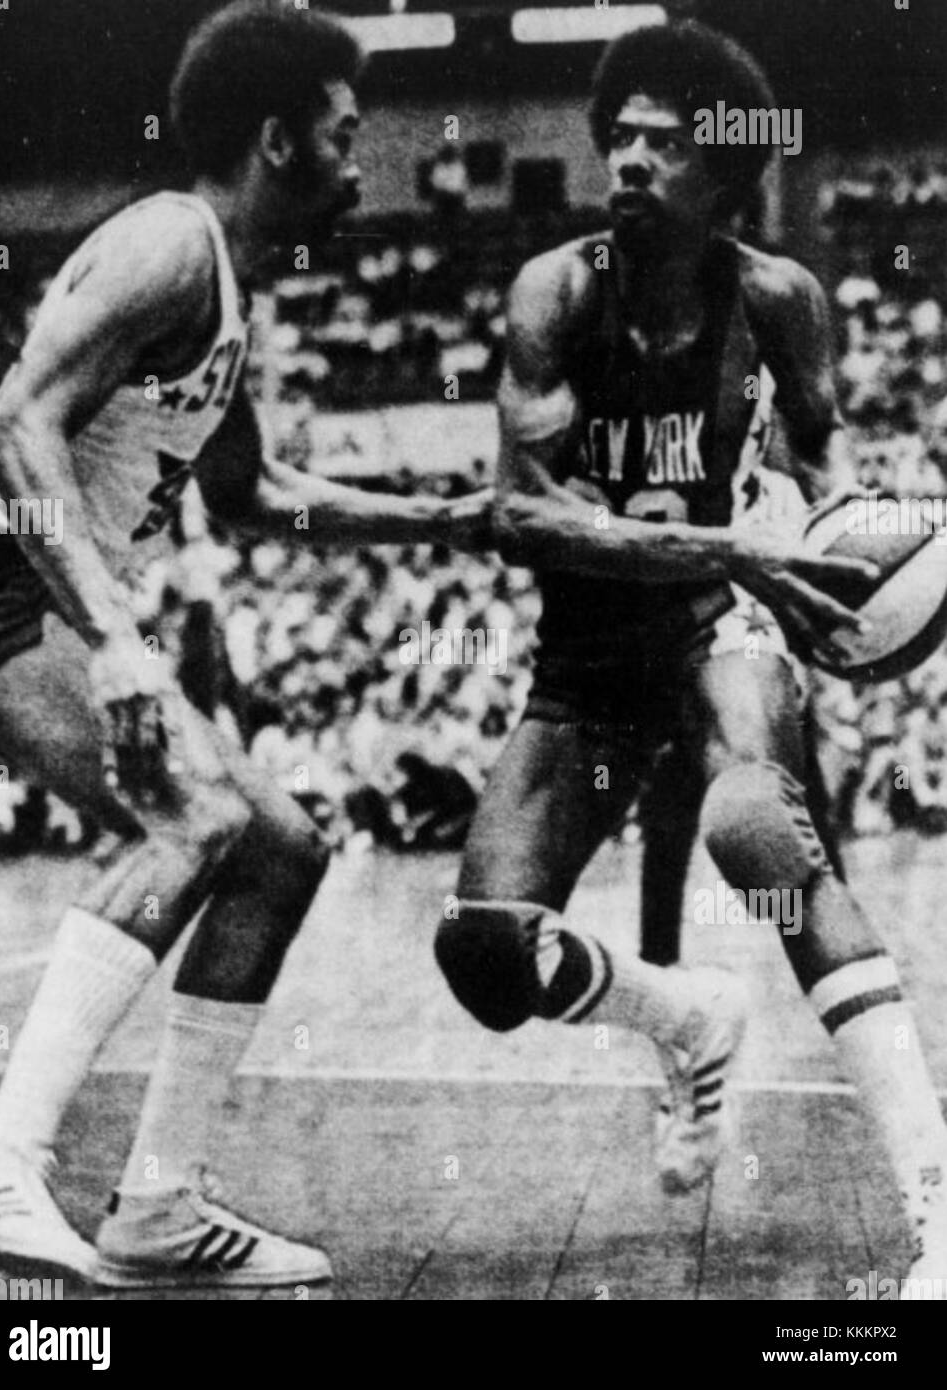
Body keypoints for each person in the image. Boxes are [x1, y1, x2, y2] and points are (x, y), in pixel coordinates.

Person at [0, 1, 487, 1289]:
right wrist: (121, 640)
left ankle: (157, 1204)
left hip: (36, 591)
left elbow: (253, 493)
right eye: (346, 136)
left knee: (279, 846)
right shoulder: (165, 243)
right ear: (277, 140)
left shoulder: (232, 291)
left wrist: (444, 517)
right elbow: (15, 431)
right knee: (196, 817)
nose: (366, 166)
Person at [434, 19, 947, 1287]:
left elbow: (824, 458)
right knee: (485, 951)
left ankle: (937, 1202)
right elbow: (523, 514)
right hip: (590, 646)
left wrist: (852, 560)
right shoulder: (555, 291)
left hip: (730, 621)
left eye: (666, 144)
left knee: (751, 829)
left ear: (725, 177)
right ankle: (684, 1015)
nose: (631, 159)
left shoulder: (780, 298)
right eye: (621, 136)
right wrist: (729, 547)